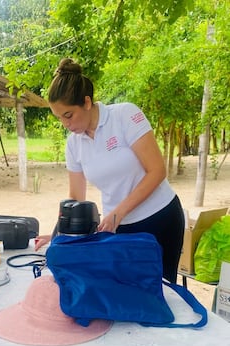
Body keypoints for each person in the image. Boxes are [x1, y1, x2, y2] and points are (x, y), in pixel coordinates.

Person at [37, 58, 185, 283]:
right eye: (59, 118)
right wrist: (60, 235)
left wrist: (119, 212)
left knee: (160, 295)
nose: (65, 124)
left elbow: (157, 171)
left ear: (86, 102)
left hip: (160, 218)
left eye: (69, 115)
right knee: (123, 296)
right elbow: (76, 199)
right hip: (118, 227)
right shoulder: (74, 144)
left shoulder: (124, 115)